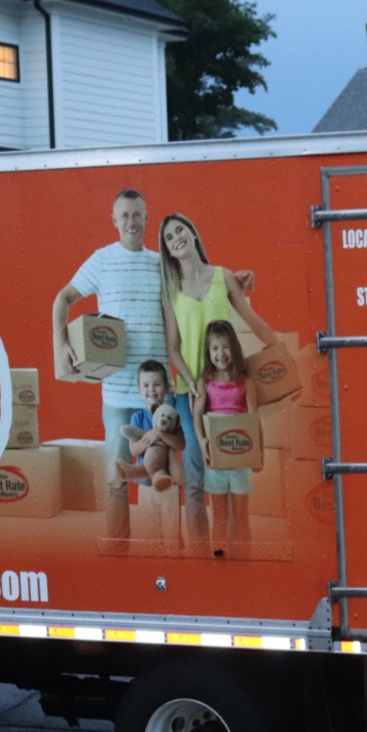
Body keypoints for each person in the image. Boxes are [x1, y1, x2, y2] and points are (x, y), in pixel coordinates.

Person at [157, 213, 282, 549]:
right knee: (197, 476)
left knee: (233, 471)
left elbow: (254, 323)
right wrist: (190, 382)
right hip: (191, 393)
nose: (176, 238)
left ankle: (237, 549)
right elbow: (173, 348)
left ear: (193, 233)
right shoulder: (170, 291)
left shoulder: (224, 277)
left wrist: (282, 357)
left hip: (227, 388)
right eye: (169, 237)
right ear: (167, 250)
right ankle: (203, 553)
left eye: (180, 230)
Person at [51, 190, 164, 553]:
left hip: (158, 393)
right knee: (117, 477)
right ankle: (118, 552)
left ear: (147, 218)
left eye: (138, 214)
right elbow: (63, 298)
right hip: (116, 393)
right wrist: (62, 344)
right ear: (114, 220)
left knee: (158, 477)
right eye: (125, 215)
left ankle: (160, 554)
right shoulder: (102, 261)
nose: (132, 222)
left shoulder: (161, 263)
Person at [192, 319, 255, 557]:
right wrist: (202, 442)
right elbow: (197, 415)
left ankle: (245, 556)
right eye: (215, 348)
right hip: (215, 462)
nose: (221, 353)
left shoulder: (245, 383)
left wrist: (258, 455)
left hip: (240, 461)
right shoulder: (205, 383)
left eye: (226, 347)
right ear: (208, 352)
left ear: (234, 348)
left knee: (241, 515)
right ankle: (218, 556)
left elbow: (253, 419)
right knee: (219, 516)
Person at [117, 359, 185, 491]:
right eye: (146, 385)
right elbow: (133, 450)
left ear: (166, 388)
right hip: (145, 481)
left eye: (157, 384)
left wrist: (160, 434)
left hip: (168, 479)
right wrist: (149, 438)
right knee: (146, 505)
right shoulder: (138, 417)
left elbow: (181, 444)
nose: (152, 390)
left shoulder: (171, 416)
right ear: (139, 389)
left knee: (170, 504)